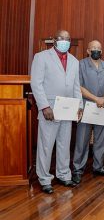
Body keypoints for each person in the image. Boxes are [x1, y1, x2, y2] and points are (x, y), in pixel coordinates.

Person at [30, 30, 83, 194]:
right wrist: (44, 106)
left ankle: (63, 174)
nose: (65, 41)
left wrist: (79, 106)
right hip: (50, 109)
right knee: (46, 145)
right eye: (62, 38)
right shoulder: (41, 57)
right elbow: (36, 83)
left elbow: (76, 86)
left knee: (64, 143)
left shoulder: (74, 61)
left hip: (68, 108)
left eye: (68, 39)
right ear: (54, 40)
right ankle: (44, 179)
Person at [72, 40, 104, 184]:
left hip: (102, 107)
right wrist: (96, 98)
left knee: (101, 139)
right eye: (93, 48)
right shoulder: (81, 64)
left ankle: (98, 167)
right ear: (88, 51)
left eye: (99, 48)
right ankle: (78, 169)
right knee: (82, 140)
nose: (96, 50)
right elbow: (79, 86)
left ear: (101, 51)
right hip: (86, 107)